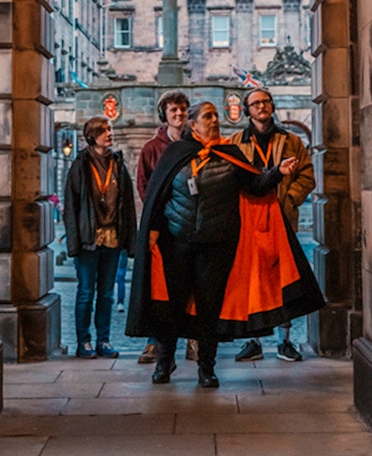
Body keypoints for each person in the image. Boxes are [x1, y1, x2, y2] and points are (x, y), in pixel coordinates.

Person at [126, 102, 324, 388]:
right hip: (176, 243)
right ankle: (164, 362)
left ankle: (207, 367)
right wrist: (153, 231)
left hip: (217, 244)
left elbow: (256, 185)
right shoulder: (176, 155)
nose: (215, 120)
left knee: (210, 308)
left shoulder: (231, 155)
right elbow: (158, 195)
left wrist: (278, 172)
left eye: (216, 116)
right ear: (193, 125)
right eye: (208, 117)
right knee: (170, 305)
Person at [229, 88, 316, 363]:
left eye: (266, 101)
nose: (262, 107)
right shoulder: (235, 142)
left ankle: (284, 341)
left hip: (281, 218)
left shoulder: (291, 140)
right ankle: (253, 341)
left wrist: (290, 200)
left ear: (272, 105)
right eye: (255, 103)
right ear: (247, 110)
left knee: (284, 280)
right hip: (249, 221)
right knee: (252, 281)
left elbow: (307, 175)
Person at [63, 116, 137, 359]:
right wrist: (73, 242)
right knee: (86, 292)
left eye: (110, 130)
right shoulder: (80, 165)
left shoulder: (118, 163)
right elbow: (71, 206)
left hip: (113, 238)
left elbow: (128, 205)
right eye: (104, 131)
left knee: (106, 294)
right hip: (88, 240)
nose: (109, 134)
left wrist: (130, 240)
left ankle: (103, 340)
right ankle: (83, 341)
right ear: (92, 137)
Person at [134, 90, 190, 364]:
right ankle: (154, 341)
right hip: (161, 227)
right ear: (164, 115)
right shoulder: (151, 148)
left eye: (182, 109)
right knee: (158, 285)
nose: (179, 114)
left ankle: (194, 341)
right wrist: (160, 212)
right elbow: (144, 186)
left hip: (190, 228)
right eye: (173, 110)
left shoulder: (196, 144)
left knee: (191, 285)